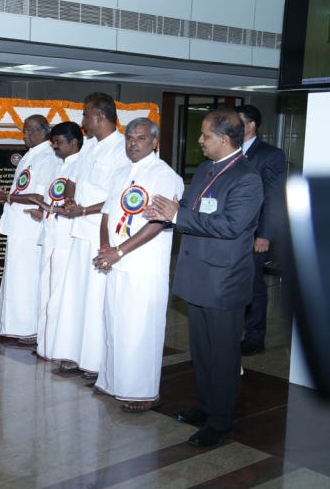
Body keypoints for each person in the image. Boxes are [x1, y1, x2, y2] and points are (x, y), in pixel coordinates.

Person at [146, 108, 263, 447]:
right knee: (201, 350)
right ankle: (206, 405)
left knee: (223, 356)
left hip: (223, 281)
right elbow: (191, 208)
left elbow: (230, 226)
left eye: (205, 135)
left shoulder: (246, 177)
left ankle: (221, 423)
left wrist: (178, 215)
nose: (199, 140)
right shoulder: (205, 169)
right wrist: (166, 213)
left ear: (225, 139)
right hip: (199, 274)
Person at [91, 118, 184, 412]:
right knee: (114, 324)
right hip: (116, 261)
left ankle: (142, 392)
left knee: (141, 329)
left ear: (154, 142)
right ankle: (112, 381)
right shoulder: (121, 172)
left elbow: (158, 223)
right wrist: (105, 248)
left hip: (144, 264)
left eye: (141, 138)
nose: (133, 143)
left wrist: (118, 251)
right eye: (129, 138)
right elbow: (107, 214)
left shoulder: (163, 175)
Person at [51, 92, 130, 377]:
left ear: (98, 117)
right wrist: (70, 200)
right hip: (79, 231)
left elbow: (119, 197)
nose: (82, 121)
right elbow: (73, 181)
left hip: (101, 233)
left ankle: (94, 361)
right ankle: (74, 353)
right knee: (76, 295)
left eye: (85, 115)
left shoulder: (122, 148)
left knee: (96, 299)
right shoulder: (90, 147)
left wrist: (84, 210)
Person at [0, 114, 58, 343]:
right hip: (18, 227)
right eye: (24, 130)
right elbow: (21, 193)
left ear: (43, 132)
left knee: (27, 279)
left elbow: (40, 197)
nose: (24, 135)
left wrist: (7, 196)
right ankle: (11, 326)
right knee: (16, 279)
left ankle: (30, 329)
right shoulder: (29, 156)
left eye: (29, 130)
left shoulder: (48, 158)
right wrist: (4, 195)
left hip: (31, 228)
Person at [25, 122, 83, 361]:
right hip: (50, 235)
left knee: (57, 295)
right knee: (46, 292)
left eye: (58, 142)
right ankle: (46, 343)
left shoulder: (80, 166)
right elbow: (50, 200)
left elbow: (74, 205)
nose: (55, 147)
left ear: (74, 142)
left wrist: (50, 209)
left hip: (64, 239)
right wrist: (42, 211)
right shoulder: (57, 166)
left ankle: (54, 347)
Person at [234, 105, 287, 356]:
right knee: (233, 283)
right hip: (230, 231)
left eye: (237, 121)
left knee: (253, 285)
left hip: (255, 233)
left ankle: (255, 338)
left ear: (251, 124)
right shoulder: (227, 150)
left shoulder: (270, 155)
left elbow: (274, 198)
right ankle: (232, 331)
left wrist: (265, 234)